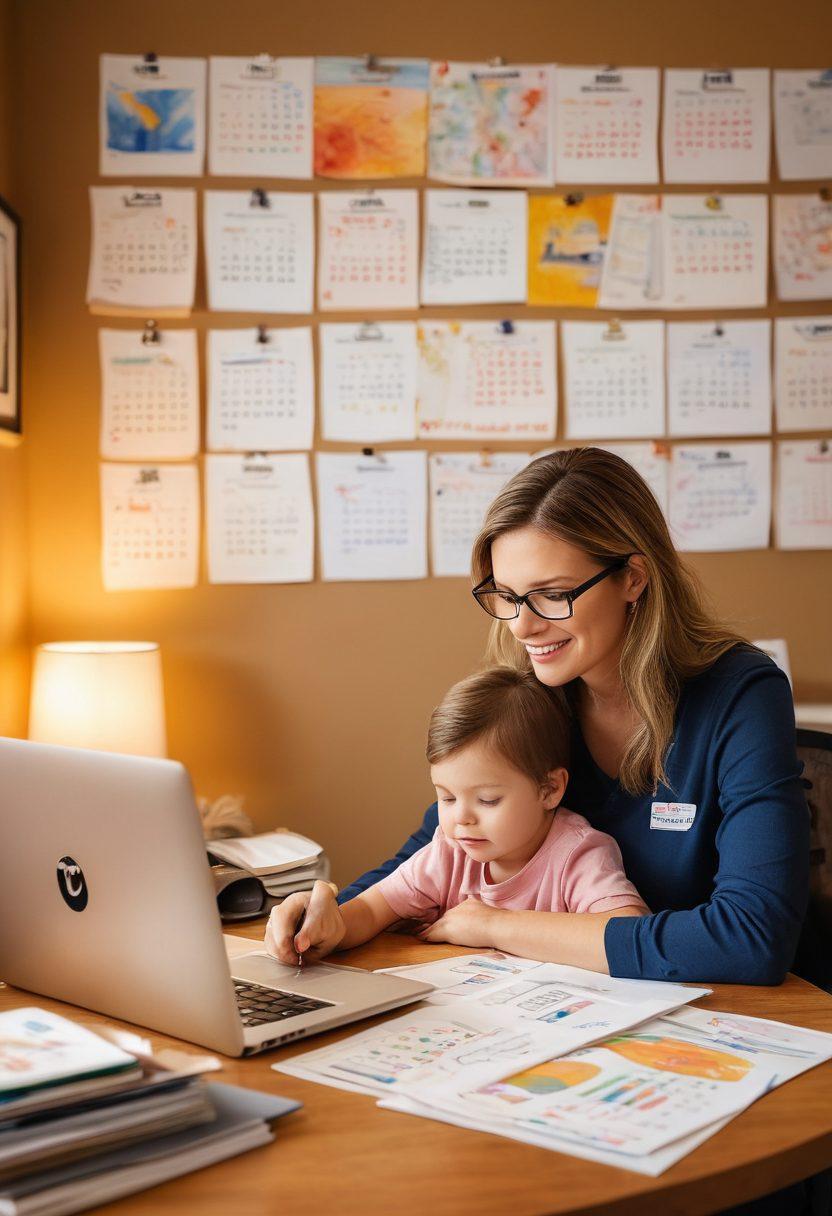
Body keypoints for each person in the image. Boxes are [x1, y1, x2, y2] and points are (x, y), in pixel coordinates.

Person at [286, 447, 812, 987]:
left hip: (715, 1020)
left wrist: (500, 926)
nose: (522, 628)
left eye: (552, 595)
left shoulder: (740, 694)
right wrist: (330, 910)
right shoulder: (530, 695)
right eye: (509, 596)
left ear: (633, 578)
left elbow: (752, 938)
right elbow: (430, 853)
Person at [264, 666, 648, 965]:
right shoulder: (449, 851)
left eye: (488, 800)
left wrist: (494, 928)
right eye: (446, 798)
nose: (461, 819)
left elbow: (629, 933)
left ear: (549, 789)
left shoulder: (578, 854)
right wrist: (327, 926)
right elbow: (371, 909)